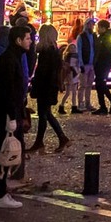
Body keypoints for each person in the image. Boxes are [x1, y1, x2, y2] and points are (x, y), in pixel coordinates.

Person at [0, 25, 33, 209]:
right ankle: (0, 192)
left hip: (9, 112)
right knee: (9, 152)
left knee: (10, 152)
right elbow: (7, 91)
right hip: (6, 114)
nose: (30, 41)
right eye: (27, 38)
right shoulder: (9, 60)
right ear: (18, 40)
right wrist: (11, 117)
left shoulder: (14, 58)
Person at [27, 24, 71, 154]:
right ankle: (58, 139)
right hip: (48, 87)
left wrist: (35, 82)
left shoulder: (47, 52)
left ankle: (42, 142)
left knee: (44, 114)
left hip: (45, 87)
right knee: (45, 114)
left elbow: (44, 72)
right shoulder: (53, 51)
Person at [92, 20, 111, 115]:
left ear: (103, 28)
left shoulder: (106, 38)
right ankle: (104, 106)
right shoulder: (103, 37)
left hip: (103, 65)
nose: (97, 29)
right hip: (101, 64)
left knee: (101, 84)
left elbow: (106, 52)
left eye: (98, 27)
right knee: (99, 85)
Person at [71, 19, 97, 114]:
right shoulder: (81, 37)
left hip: (91, 64)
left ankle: (87, 103)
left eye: (93, 25)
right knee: (82, 85)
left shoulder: (93, 36)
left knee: (89, 85)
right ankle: (80, 103)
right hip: (85, 64)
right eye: (90, 24)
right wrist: (81, 64)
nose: (92, 26)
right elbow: (79, 51)